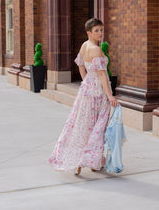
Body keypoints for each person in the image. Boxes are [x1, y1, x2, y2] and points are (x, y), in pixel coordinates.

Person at [48, 18, 119, 175]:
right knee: (97, 127)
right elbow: (102, 75)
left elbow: (81, 66)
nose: (100, 33)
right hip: (98, 93)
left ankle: (85, 161)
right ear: (89, 32)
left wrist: (87, 80)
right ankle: (90, 160)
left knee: (82, 125)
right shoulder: (96, 50)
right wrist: (110, 95)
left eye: (101, 30)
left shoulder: (83, 46)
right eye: (96, 31)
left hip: (86, 90)